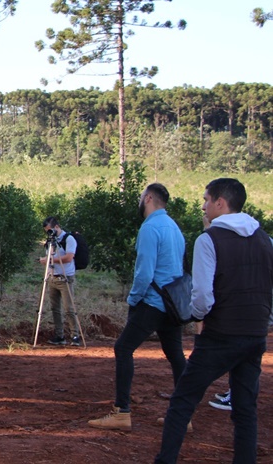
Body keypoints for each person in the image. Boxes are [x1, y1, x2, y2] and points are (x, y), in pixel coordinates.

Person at [156, 178, 273, 463]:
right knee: (245, 409)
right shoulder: (265, 238)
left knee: (183, 401)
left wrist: (196, 316)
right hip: (255, 334)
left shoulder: (209, 240)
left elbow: (203, 295)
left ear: (221, 203)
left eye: (207, 199)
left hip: (220, 334)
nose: (203, 205)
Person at [88, 183, 186, 432]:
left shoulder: (151, 227)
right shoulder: (174, 227)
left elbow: (144, 272)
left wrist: (133, 299)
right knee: (175, 355)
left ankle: (122, 412)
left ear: (150, 198)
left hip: (152, 302)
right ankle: (184, 416)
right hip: (173, 304)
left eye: (142, 196)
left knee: (123, 348)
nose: (140, 200)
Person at [39, 216, 80, 346]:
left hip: (65, 277)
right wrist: (46, 260)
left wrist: (50, 261)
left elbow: (68, 258)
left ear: (57, 226)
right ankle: (59, 335)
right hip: (53, 276)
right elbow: (51, 256)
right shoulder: (50, 241)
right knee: (55, 308)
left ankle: (75, 336)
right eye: (47, 231)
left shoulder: (69, 239)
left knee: (69, 308)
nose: (49, 233)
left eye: (50, 230)